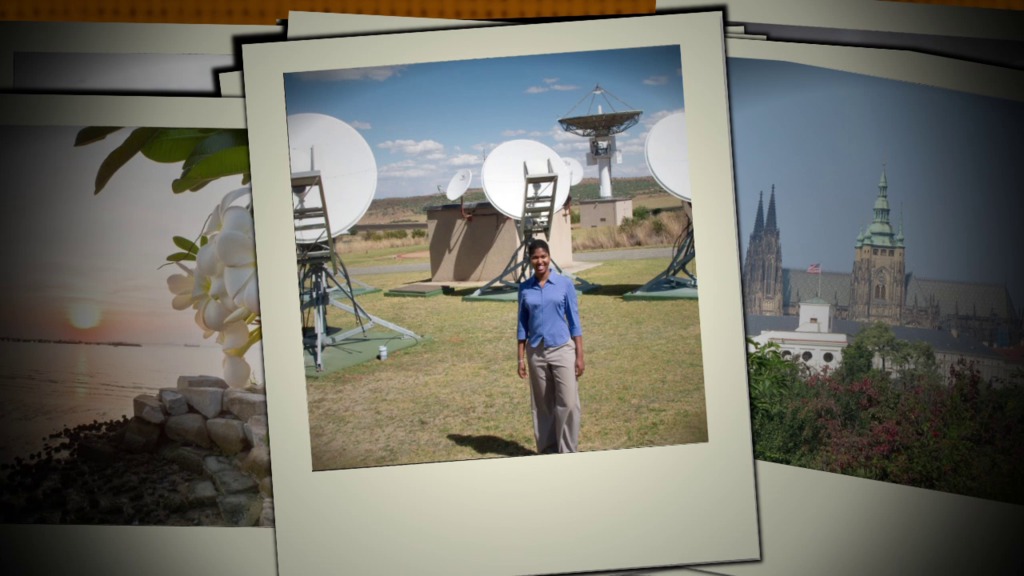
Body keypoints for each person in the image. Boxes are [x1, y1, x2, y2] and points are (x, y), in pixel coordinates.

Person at [516, 239, 584, 454]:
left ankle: (567, 451)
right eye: (535, 257)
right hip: (536, 352)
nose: (540, 261)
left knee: (569, 403)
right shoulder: (525, 288)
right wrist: (520, 358)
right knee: (542, 406)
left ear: (549, 257)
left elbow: (574, 322)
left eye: (543, 256)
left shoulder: (564, 284)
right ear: (530, 260)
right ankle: (547, 451)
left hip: (562, 349)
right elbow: (521, 325)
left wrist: (580, 356)